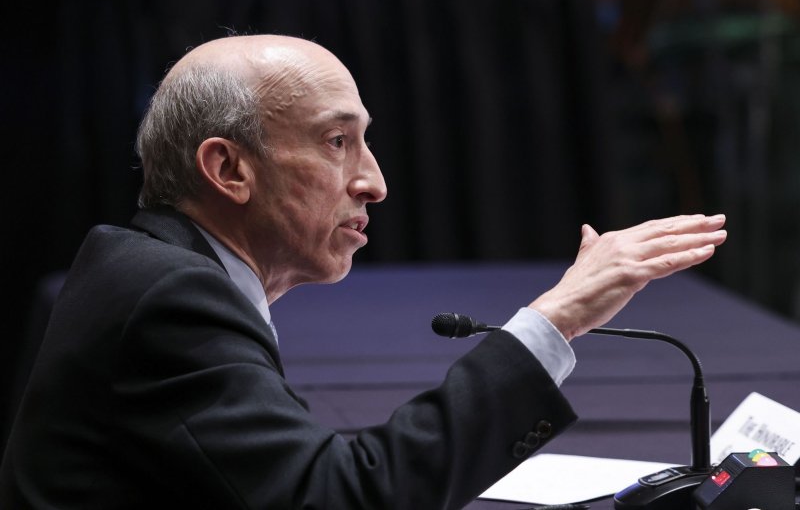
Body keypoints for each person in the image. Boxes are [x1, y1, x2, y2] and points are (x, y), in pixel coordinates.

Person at [0, 34, 727, 509]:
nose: (374, 182)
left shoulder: (145, 263)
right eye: (337, 142)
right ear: (228, 167)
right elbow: (342, 500)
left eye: (364, 141)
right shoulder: (170, 298)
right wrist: (558, 317)